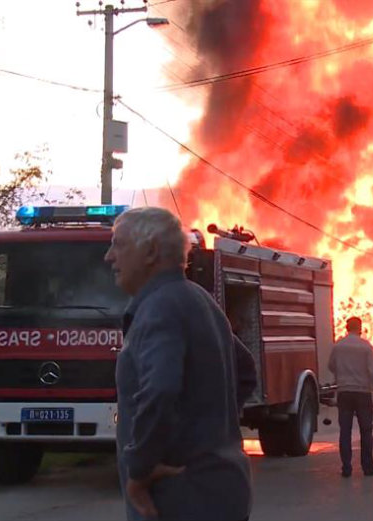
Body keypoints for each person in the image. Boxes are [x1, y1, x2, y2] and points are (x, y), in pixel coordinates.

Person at [105, 207, 258, 521]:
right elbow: (246, 371)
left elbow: (160, 390)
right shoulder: (200, 300)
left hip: (179, 501)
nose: (109, 256)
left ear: (151, 252)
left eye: (118, 244)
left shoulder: (159, 308)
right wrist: (207, 430)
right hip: (224, 492)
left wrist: (140, 468)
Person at [327, 316, 373, 478]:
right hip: (363, 393)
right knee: (366, 430)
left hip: (344, 393)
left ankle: (346, 468)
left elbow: (331, 365)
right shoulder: (365, 346)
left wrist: (342, 375)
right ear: (360, 328)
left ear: (346, 328)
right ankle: (368, 467)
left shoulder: (338, 346)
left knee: (345, 431)